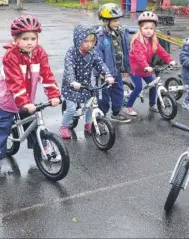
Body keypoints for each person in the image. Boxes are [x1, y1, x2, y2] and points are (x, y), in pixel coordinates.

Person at [0, 15, 61, 160]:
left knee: (33, 122)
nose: (30, 43)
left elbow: (47, 74)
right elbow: (15, 82)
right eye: (25, 39)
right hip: (8, 100)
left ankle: (41, 147)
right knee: (3, 128)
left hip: (27, 99)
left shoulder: (39, 53)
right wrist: (24, 102)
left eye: (33, 39)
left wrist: (53, 94)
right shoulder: (11, 56)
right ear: (16, 39)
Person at [59, 24, 115, 139]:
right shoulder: (72, 52)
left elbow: (100, 64)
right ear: (78, 40)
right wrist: (72, 82)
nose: (89, 44)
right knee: (71, 108)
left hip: (86, 85)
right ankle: (64, 126)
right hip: (72, 85)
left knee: (90, 104)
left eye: (92, 41)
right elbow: (69, 68)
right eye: (85, 41)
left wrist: (107, 75)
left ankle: (88, 124)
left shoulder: (92, 53)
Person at [124, 11, 176, 116]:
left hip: (145, 69)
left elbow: (161, 51)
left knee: (153, 84)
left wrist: (170, 60)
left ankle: (152, 104)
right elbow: (139, 56)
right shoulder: (137, 41)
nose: (149, 31)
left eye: (151, 29)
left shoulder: (153, 41)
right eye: (146, 28)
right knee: (138, 87)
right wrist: (146, 66)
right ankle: (128, 107)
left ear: (154, 30)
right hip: (135, 69)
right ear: (140, 28)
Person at [95, 3, 131, 123]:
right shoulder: (99, 36)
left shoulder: (121, 33)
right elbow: (97, 56)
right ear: (106, 21)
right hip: (104, 73)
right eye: (114, 21)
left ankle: (115, 113)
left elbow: (124, 50)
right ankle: (102, 116)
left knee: (118, 92)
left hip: (116, 70)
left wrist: (125, 68)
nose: (117, 23)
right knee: (103, 96)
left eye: (118, 20)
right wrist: (101, 72)